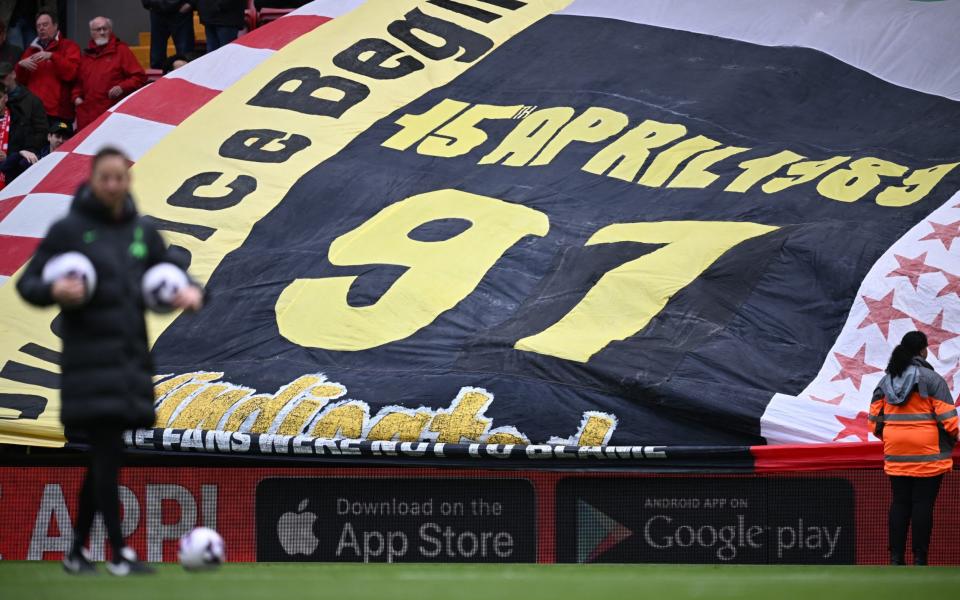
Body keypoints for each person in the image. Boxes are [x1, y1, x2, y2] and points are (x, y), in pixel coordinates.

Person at [16, 147, 204, 576]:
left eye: (120, 178)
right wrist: (53, 291)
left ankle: (77, 552)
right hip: (87, 360)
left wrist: (191, 294)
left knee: (105, 454)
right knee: (106, 452)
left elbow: (172, 277)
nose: (114, 185)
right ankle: (119, 553)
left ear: (127, 181)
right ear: (94, 179)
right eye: (106, 178)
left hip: (129, 358)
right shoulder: (69, 231)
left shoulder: (142, 232)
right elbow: (30, 282)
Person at [869, 331, 958, 566]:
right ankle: (920, 558)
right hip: (928, 454)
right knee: (922, 504)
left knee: (900, 503)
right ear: (923, 350)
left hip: (896, 452)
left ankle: (896, 557)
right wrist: (952, 439)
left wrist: (890, 437)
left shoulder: (885, 381)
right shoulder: (932, 379)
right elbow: (949, 420)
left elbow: (874, 421)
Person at [72, 17, 146, 131]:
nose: (102, 32)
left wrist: (122, 87)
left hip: (111, 116)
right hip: (88, 118)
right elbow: (78, 84)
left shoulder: (121, 50)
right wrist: (76, 97)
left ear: (110, 30)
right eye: (98, 29)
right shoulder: (86, 57)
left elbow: (139, 77)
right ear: (91, 33)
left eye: (104, 29)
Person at [15, 11, 79, 123]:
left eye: (45, 25)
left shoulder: (69, 46)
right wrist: (20, 66)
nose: (41, 28)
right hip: (33, 112)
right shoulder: (30, 50)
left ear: (55, 25)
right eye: (38, 26)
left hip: (58, 114)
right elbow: (20, 82)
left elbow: (72, 74)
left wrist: (52, 56)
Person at [0, 61, 46, 182]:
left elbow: (41, 131)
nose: (1, 80)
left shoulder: (32, 101)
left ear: (13, 74)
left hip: (21, 161)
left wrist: (14, 155)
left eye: (3, 77)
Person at [141, 0, 195, 70]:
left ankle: (186, 77)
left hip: (180, 10)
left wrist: (190, 3)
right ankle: (159, 79)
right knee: (157, 58)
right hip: (157, 10)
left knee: (185, 55)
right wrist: (147, 3)